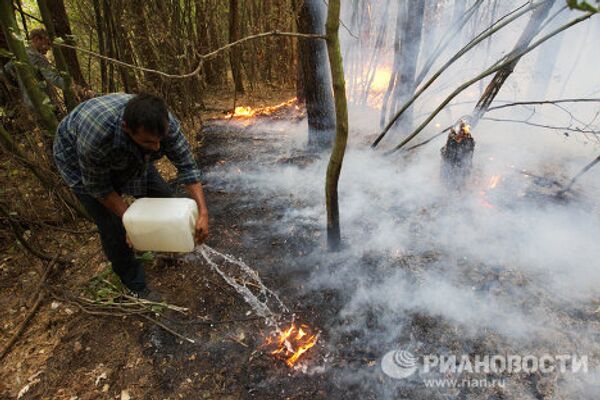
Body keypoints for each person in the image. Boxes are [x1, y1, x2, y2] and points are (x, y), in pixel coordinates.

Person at [53, 92, 209, 300]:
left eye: (159, 141)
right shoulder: (98, 138)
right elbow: (99, 188)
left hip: (133, 155)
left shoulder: (162, 124)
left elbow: (187, 167)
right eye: (149, 142)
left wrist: (203, 212)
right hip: (78, 163)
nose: (156, 148)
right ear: (127, 128)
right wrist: (132, 223)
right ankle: (135, 286)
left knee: (164, 199)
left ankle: (165, 250)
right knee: (114, 228)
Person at [3, 28, 66, 107]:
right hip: (42, 104)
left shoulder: (21, 53)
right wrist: (71, 86)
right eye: (48, 44)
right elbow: (53, 78)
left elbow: (4, 71)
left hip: (28, 103)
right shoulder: (38, 57)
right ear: (37, 39)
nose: (49, 48)